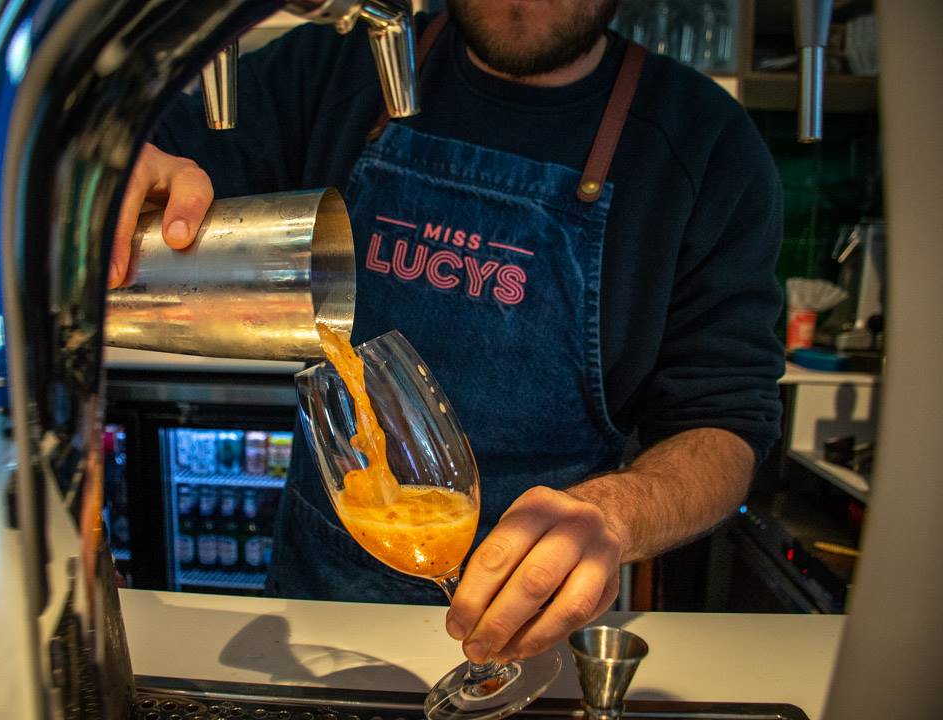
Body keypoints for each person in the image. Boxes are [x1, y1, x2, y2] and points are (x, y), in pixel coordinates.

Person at [111, 0, 784, 667]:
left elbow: (723, 424)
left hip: (534, 634)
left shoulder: (705, 142)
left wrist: (616, 512)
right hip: (319, 626)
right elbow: (136, 162)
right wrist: (121, 169)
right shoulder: (339, 69)